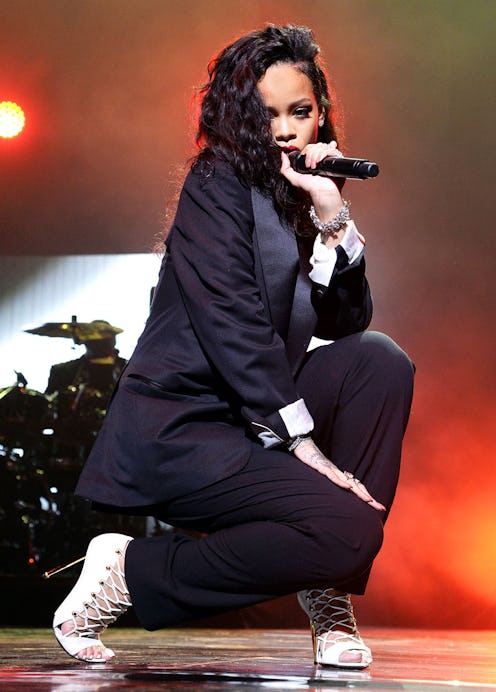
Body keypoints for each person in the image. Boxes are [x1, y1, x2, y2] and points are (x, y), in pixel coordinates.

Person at [52, 25, 414, 668]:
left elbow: (348, 320)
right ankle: (129, 571)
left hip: (254, 417)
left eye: (299, 112)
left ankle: (327, 583)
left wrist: (332, 215)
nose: (285, 131)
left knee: (377, 360)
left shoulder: (301, 194)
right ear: (239, 116)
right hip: (187, 427)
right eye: (266, 114)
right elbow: (234, 326)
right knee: (351, 530)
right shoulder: (215, 183)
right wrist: (305, 447)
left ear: (321, 113)